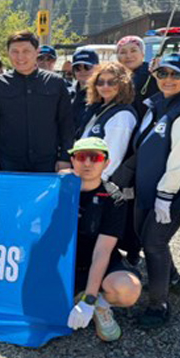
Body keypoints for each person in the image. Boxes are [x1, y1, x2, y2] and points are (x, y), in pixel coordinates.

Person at [133, 53, 180, 328]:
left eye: (176, 74)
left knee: (154, 243)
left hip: (172, 194)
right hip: (149, 189)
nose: (168, 79)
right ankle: (171, 279)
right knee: (147, 239)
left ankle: (159, 305)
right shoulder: (159, 103)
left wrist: (165, 195)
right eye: (162, 73)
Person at [66, 137, 142, 342]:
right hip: (64, 264)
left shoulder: (113, 198)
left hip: (98, 261)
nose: (87, 163)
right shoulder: (58, 188)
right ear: (72, 160)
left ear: (106, 163)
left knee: (128, 290)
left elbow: (102, 252)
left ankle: (101, 304)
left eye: (95, 158)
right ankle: (75, 294)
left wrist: (89, 300)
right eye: (81, 157)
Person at [0, 30, 74, 173]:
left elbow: (66, 124)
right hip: (8, 163)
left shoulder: (56, 83)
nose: (20, 57)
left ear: (36, 52)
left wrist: (65, 158)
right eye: (15, 51)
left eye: (26, 51)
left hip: (48, 163)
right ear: (8, 53)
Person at [79, 62, 138, 182]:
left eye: (112, 82)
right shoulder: (100, 108)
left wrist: (96, 181)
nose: (105, 86)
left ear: (123, 84)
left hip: (100, 182)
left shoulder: (122, 115)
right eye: (100, 82)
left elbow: (113, 157)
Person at [116, 36, 159, 119]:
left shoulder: (152, 74)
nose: (128, 56)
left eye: (133, 51)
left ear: (142, 53)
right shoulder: (113, 77)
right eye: (123, 52)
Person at [70, 48, 100, 135]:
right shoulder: (67, 94)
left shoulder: (104, 94)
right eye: (77, 68)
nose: (82, 71)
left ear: (98, 68)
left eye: (87, 67)